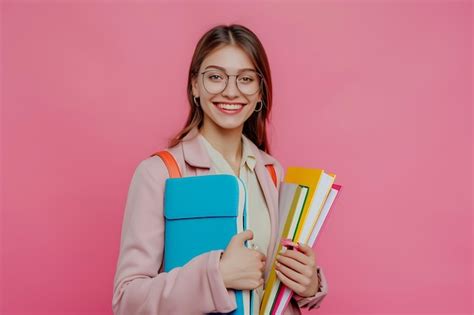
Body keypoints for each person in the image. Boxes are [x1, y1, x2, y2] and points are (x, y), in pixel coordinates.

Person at [112, 24, 328, 315]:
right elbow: (127, 302)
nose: (230, 91)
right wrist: (217, 277)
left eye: (246, 79)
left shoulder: (271, 171)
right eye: (215, 77)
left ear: (260, 91)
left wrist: (308, 283)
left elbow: (272, 288)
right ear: (195, 86)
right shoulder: (159, 174)